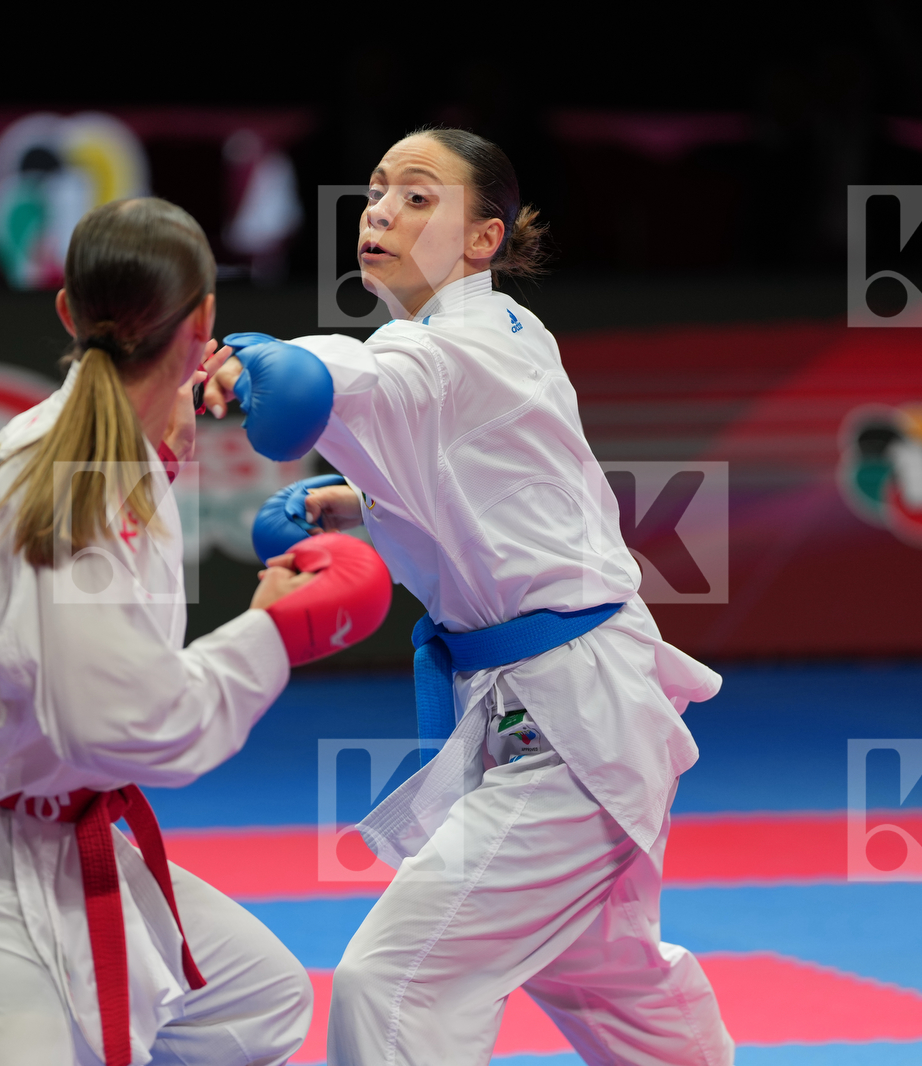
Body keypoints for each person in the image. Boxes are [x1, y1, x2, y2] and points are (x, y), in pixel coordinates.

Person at [0, 197, 394, 1066]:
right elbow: (128, 729)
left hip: (42, 828)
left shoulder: (83, 441)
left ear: (66, 312)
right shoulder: (81, 481)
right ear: (204, 321)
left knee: (259, 1004)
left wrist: (165, 446)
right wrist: (275, 632)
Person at [205, 129, 736, 1065]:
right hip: (562, 708)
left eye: (417, 196)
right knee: (610, 983)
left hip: (573, 728)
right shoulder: (495, 339)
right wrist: (350, 503)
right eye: (374, 192)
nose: (380, 210)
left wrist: (267, 356)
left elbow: (352, 380)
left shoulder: (458, 347)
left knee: (395, 983)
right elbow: (490, 486)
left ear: (483, 238)